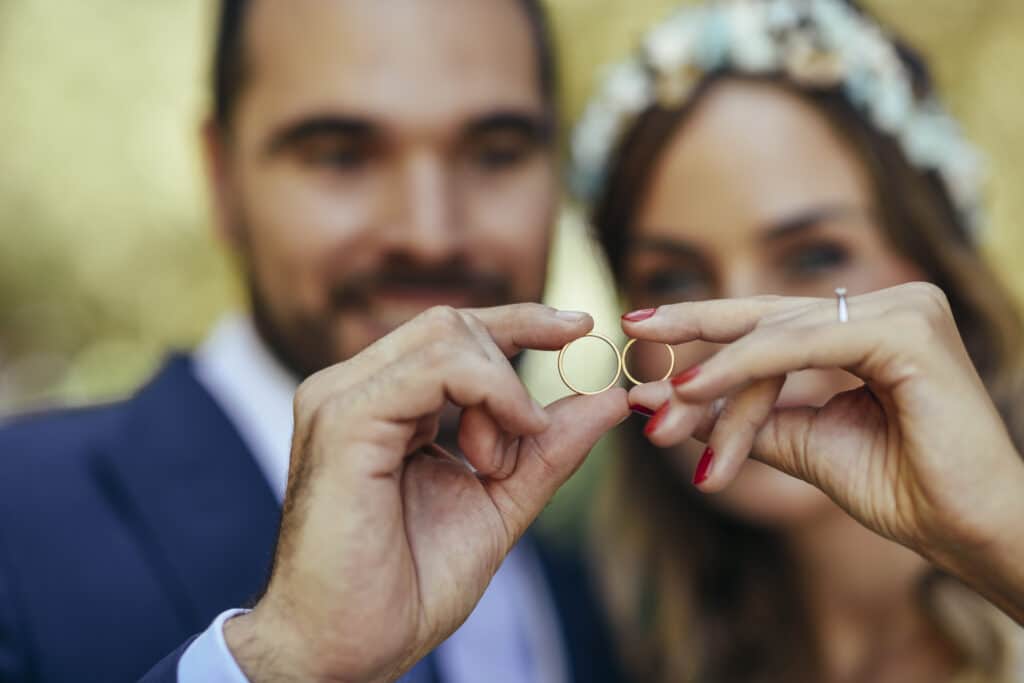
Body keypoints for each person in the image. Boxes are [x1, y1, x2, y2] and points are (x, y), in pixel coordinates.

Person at [0, 1, 627, 682]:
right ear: (222, 178)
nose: (429, 233)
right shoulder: (15, 519)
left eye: (496, 153)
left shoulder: (599, 600)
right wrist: (278, 661)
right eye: (340, 155)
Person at [570, 0, 1024, 680]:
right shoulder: (606, 647)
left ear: (939, 279)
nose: (746, 332)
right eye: (675, 276)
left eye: (814, 257)